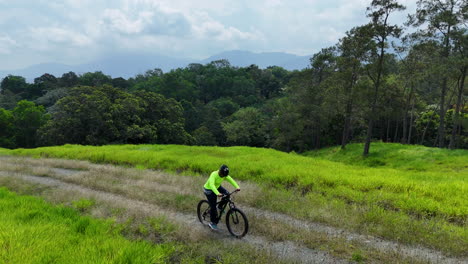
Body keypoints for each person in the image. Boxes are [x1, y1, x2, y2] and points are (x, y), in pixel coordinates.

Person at [203, 164, 240, 230]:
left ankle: (220, 207)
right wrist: (218, 193)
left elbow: (231, 180)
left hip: (217, 187)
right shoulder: (214, 174)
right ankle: (212, 223)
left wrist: (237, 187)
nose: (223, 176)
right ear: (220, 171)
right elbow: (211, 185)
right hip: (209, 190)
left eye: (224, 175)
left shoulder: (224, 174)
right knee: (213, 207)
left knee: (227, 194)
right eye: (222, 175)